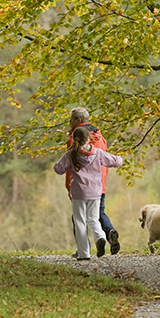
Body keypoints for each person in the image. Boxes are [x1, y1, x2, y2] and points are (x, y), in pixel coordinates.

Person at [54, 127, 123, 260]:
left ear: (75, 139)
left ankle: (84, 253)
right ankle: (101, 237)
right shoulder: (97, 153)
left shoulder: (71, 154)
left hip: (79, 193)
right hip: (95, 191)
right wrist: (120, 157)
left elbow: (58, 169)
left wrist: (66, 166)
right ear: (89, 139)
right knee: (93, 219)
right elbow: (116, 161)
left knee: (80, 221)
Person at [66, 107, 122, 255]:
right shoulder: (100, 137)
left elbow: (68, 166)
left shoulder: (74, 139)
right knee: (97, 214)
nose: (69, 122)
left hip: (79, 186)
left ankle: (82, 251)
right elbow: (109, 158)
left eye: (71, 119)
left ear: (78, 120)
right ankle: (109, 232)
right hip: (99, 183)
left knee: (78, 219)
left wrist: (68, 186)